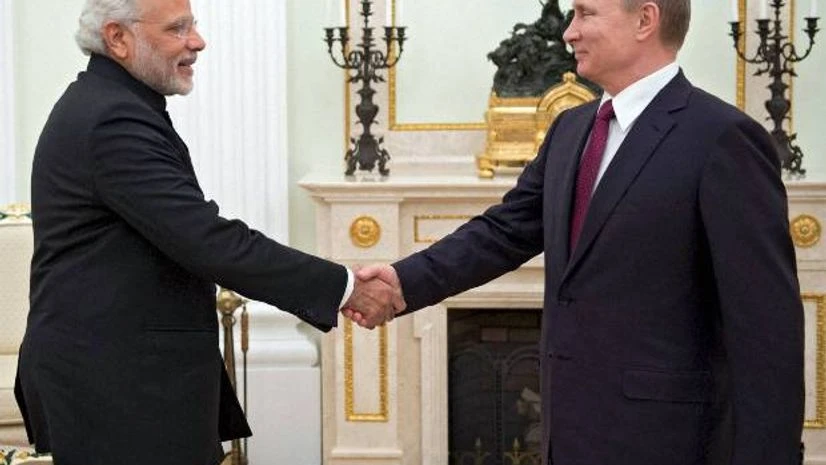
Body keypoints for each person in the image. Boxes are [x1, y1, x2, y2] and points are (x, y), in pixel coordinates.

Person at [347, 0, 805, 463]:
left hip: (669, 443)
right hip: (568, 436)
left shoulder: (723, 137)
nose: (569, 32)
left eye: (586, 13)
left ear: (645, 20)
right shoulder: (571, 128)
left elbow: (767, 330)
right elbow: (504, 231)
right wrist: (403, 282)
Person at [13, 0, 401, 464]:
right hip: (115, 386)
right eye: (177, 29)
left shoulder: (113, 105)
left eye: (192, 25)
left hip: (129, 379)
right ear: (117, 38)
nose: (197, 41)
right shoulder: (111, 119)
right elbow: (208, 241)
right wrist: (344, 287)